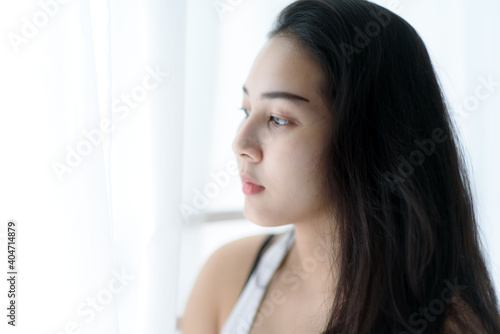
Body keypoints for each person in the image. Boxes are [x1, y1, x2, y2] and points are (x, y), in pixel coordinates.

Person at [181, 0, 500, 333]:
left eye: (278, 118)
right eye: (246, 111)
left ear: (369, 135)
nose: (240, 144)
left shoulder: (449, 325)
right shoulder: (225, 277)